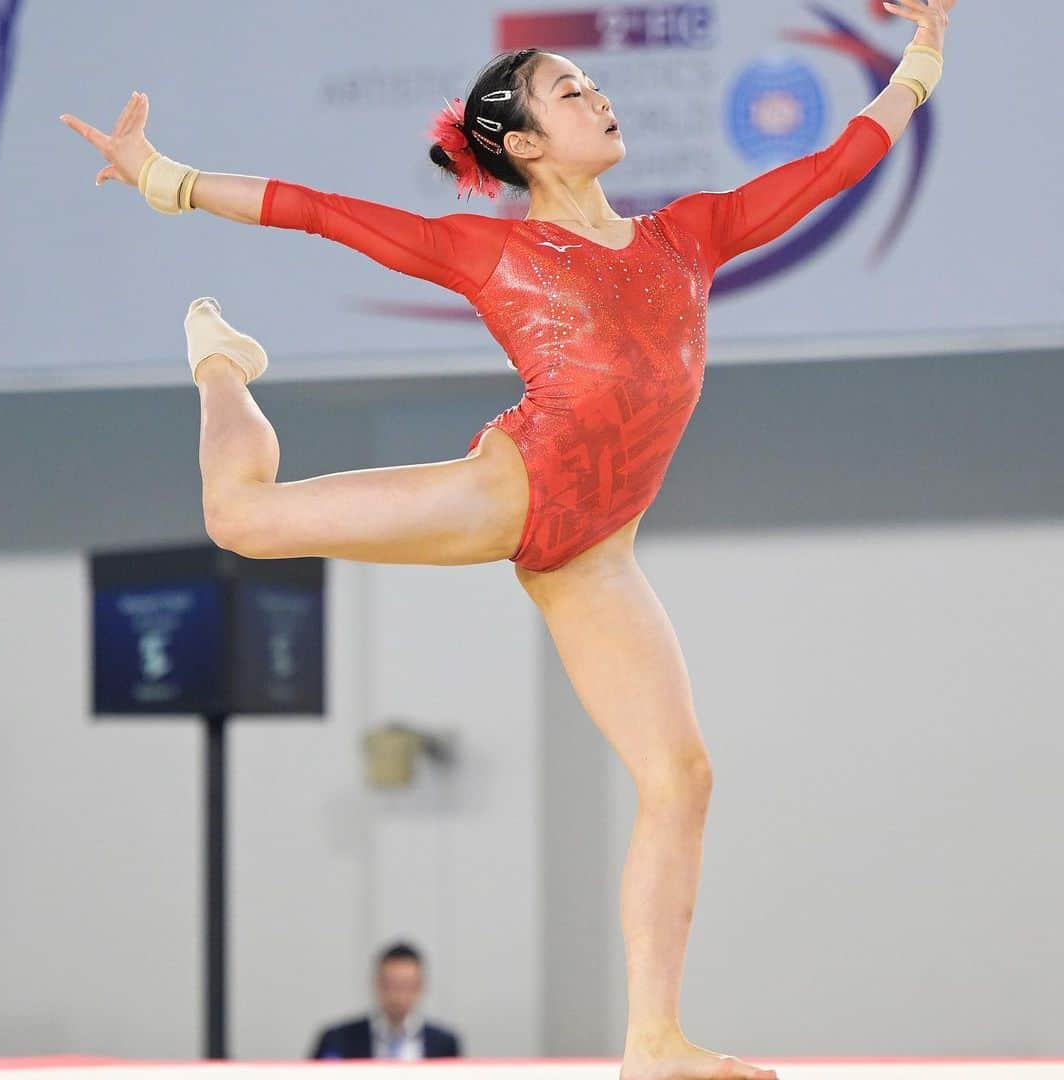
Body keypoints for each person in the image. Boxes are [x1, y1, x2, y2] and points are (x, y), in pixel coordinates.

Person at [60, 2, 953, 1075]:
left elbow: (832, 168)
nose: (599, 96)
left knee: (682, 776)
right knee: (237, 519)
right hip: (512, 491)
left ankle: (653, 1037)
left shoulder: (691, 235)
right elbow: (320, 212)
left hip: (600, 552)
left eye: (593, 85)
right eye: (571, 90)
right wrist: (167, 178)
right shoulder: (491, 251)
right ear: (522, 143)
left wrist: (922, 54)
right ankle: (220, 365)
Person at [309, 941, 461, 1061]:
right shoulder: (338, 1040)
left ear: (420, 987)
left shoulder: (444, 1044)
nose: (397, 995)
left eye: (406, 985)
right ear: (376, 984)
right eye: (390, 984)